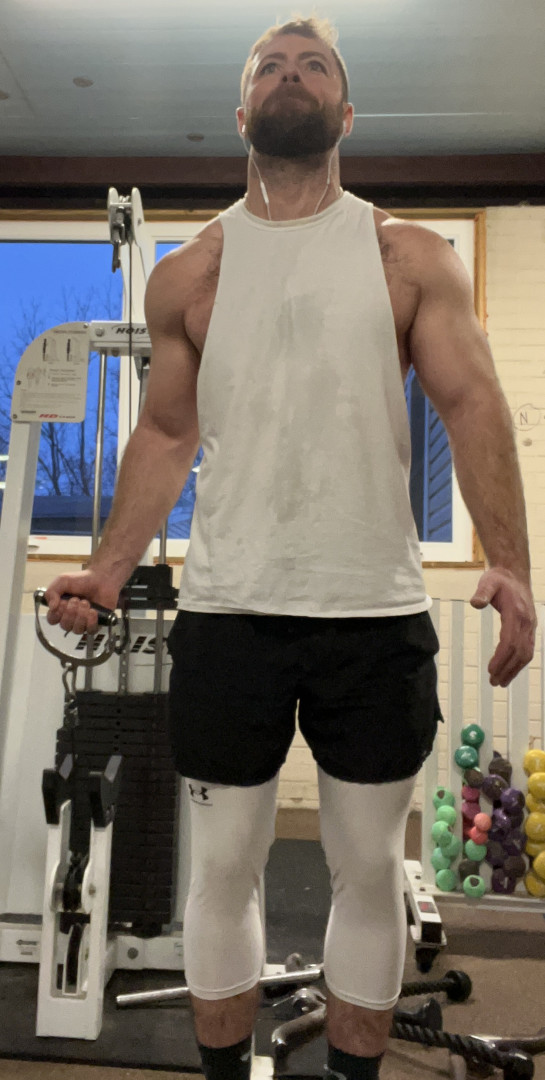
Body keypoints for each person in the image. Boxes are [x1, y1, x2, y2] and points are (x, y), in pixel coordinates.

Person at [44, 15, 537, 1080]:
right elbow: (165, 434)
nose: (290, 74)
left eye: (313, 65)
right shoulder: (191, 275)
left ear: (345, 113)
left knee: (366, 868)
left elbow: (472, 405)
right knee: (222, 869)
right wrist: (111, 568)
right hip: (231, 611)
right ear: (242, 112)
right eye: (270, 65)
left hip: (372, 611)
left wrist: (509, 561)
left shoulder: (408, 256)